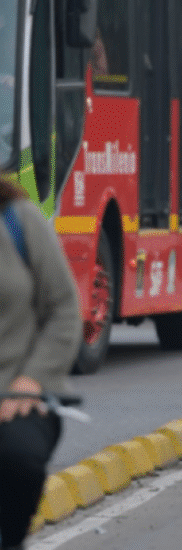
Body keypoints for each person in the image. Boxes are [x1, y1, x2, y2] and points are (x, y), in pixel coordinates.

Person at [0, 179, 81, 550]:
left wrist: (32, 379)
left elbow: (65, 309)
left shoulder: (20, 221)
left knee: (19, 459)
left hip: (19, 393)